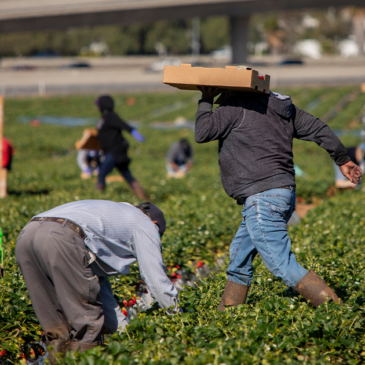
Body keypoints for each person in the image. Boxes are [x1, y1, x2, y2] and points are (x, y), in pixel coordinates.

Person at [194, 87, 362, 310]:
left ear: (228, 91)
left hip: (262, 199)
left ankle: (336, 311)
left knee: (281, 264)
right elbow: (317, 128)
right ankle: (227, 315)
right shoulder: (281, 108)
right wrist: (342, 158)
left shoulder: (235, 106)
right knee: (238, 259)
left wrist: (206, 98)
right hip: (282, 193)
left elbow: (202, 132)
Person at [15, 200, 178, 363]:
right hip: (62, 236)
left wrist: (126, 334)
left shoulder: (110, 218)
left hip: (27, 234)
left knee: (56, 325)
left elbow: (100, 291)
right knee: (87, 324)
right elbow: (155, 278)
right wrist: (178, 319)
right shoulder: (145, 224)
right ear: (154, 224)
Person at [94, 95, 148, 200]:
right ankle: (145, 200)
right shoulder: (104, 118)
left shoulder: (110, 116)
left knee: (101, 175)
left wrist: (134, 132)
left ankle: (94, 201)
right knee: (128, 176)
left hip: (114, 152)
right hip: (111, 152)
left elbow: (124, 125)